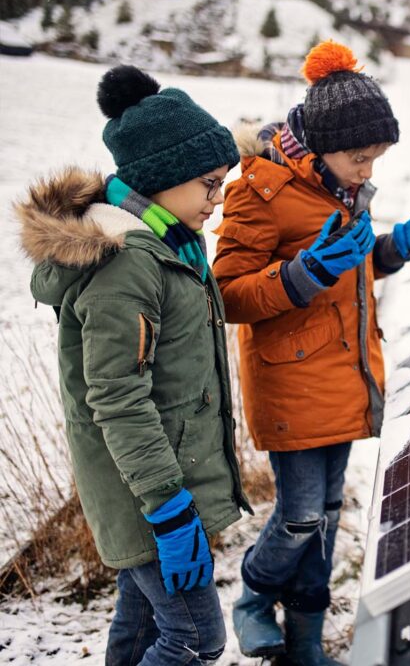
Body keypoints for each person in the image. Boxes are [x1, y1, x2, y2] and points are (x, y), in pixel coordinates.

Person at [213, 40, 410, 664]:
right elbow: (226, 295)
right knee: (301, 516)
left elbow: (348, 272)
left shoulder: (340, 189)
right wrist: (300, 275)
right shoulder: (261, 192)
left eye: (375, 160)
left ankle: (304, 645)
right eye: (361, 158)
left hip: (344, 376)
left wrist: (400, 245)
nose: (369, 172)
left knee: (327, 520)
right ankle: (252, 595)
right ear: (323, 145)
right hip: (292, 382)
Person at [16, 65, 250, 665]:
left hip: (153, 484)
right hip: (148, 494)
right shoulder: (128, 266)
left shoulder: (172, 246)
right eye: (209, 183)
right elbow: (118, 397)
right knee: (196, 640)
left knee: (140, 622)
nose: (218, 198)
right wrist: (169, 511)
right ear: (164, 178)